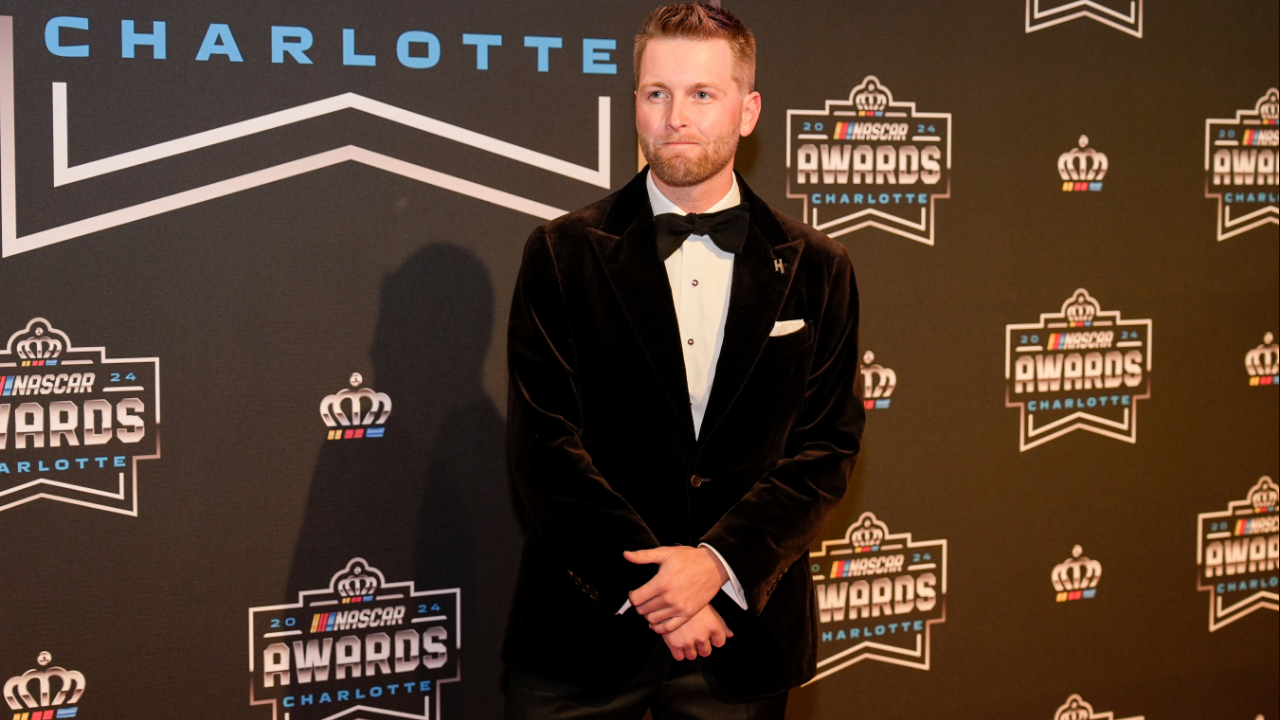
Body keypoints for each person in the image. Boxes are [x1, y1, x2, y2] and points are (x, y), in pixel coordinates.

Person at [502, 3, 864, 718]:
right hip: (581, 645)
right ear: (634, 102)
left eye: (702, 94)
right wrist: (663, 598)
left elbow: (826, 448)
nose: (676, 116)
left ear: (748, 109)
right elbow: (544, 445)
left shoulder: (820, 268)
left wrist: (719, 569)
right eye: (656, 93)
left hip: (741, 646)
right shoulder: (560, 253)